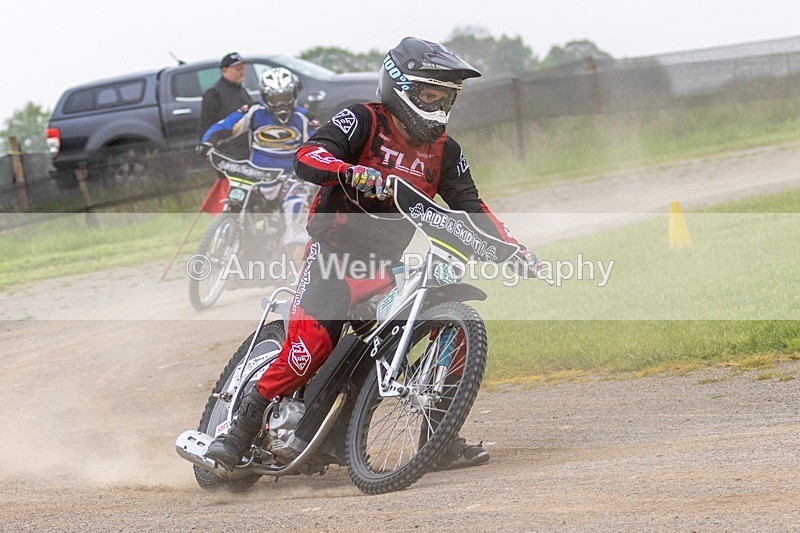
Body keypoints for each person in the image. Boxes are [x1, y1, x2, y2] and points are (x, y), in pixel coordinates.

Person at [205, 37, 540, 472]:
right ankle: (237, 434)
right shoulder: (362, 119)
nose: (438, 106)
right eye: (429, 95)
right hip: (332, 255)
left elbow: (473, 208)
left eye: (447, 98)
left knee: (438, 329)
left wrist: (515, 249)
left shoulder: (445, 151)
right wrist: (350, 171)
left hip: (382, 269)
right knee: (312, 345)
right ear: (399, 86)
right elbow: (307, 156)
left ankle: (437, 439)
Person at [199, 67, 316, 250]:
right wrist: (207, 142)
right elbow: (226, 125)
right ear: (265, 96)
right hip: (256, 177)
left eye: (285, 98)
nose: (281, 104)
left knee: (296, 205)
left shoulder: (304, 117)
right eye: (275, 99)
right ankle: (231, 241)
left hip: (290, 179)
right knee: (237, 201)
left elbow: (321, 144)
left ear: (293, 94)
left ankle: (294, 253)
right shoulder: (254, 111)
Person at [197, 52, 252, 140]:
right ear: (224, 71)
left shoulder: (242, 90)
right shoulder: (214, 93)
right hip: (226, 147)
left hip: (245, 147)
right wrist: (206, 145)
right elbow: (205, 126)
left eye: (243, 69)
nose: (242, 73)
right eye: (238, 69)